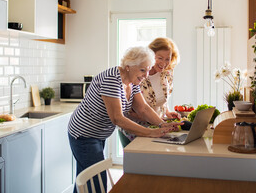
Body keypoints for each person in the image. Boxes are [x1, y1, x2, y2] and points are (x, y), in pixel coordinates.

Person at [68, 46, 181, 193]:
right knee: (95, 181)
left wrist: (163, 124)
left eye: (148, 69)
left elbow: (143, 108)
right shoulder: (112, 79)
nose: (146, 75)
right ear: (128, 66)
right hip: (84, 134)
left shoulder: (132, 82)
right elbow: (117, 119)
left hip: (98, 134)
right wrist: (150, 132)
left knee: (86, 179)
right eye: (142, 70)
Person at [119, 37, 180, 146]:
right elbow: (134, 110)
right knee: (142, 159)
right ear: (151, 56)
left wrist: (166, 112)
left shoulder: (167, 74)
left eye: (168, 59)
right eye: (160, 58)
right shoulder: (137, 75)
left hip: (156, 124)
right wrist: (157, 121)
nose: (164, 63)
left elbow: (162, 98)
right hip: (136, 127)